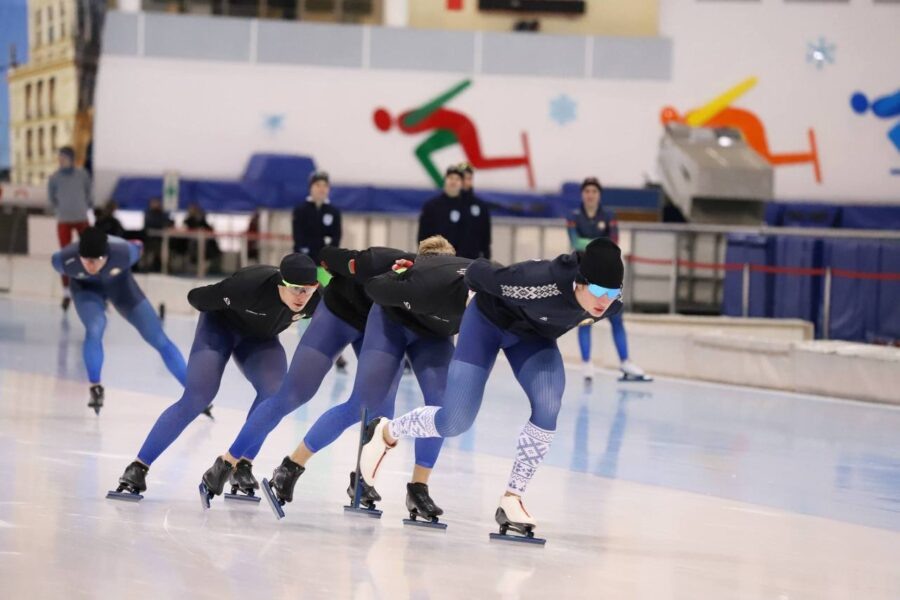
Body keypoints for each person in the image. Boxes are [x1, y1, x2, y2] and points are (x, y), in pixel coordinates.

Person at [356, 238, 625, 540]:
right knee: (455, 421)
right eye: (599, 291)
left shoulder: (609, 306)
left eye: (613, 293)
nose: (605, 301)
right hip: (488, 322)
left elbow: (601, 301)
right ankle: (386, 431)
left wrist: (604, 297)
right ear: (579, 281)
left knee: (549, 405)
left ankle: (512, 498)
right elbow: (479, 272)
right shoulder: (540, 282)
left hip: (533, 337)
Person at [257, 236, 470, 521]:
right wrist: (364, 269)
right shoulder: (398, 269)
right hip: (393, 325)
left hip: (433, 337)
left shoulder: (468, 286)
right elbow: (353, 270)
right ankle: (290, 467)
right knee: (364, 404)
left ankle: (417, 488)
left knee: (441, 407)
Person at [194, 242, 415, 505]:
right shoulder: (377, 260)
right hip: (339, 315)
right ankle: (226, 463)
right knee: (294, 394)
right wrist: (343, 270)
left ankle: (361, 479)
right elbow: (326, 255)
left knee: (383, 409)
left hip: (380, 326)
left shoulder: (443, 291)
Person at [108, 254, 320, 501]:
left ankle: (242, 466)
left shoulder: (316, 300)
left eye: (308, 290)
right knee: (199, 396)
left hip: (260, 340)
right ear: (280, 283)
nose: (302, 296)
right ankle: (138, 466)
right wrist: (222, 298)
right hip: (219, 329)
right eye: (295, 289)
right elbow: (196, 297)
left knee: (274, 394)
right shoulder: (249, 285)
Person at [50, 227, 188, 414]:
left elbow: (139, 244)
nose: (91, 266)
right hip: (86, 291)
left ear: (107, 255)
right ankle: (95, 386)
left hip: (122, 288)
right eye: (86, 260)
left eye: (96, 260)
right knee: (95, 328)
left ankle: (193, 391)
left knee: (157, 337)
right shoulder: (63, 260)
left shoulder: (125, 252)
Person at [566, 177, 649, 382]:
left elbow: (614, 242)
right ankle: (587, 363)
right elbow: (575, 242)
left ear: (599, 195)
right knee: (584, 318)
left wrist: (590, 244)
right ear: (582, 194)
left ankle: (625, 361)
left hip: (607, 275)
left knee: (616, 317)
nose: (590, 195)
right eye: (587, 191)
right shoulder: (574, 216)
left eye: (594, 191)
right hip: (584, 275)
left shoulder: (609, 215)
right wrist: (600, 244)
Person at [48, 146, 93, 311]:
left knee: (91, 252)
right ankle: (66, 292)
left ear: (71, 159)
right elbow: (51, 198)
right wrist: (60, 210)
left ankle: (92, 287)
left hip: (81, 218)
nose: (61, 161)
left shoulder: (82, 174)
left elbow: (89, 192)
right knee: (65, 256)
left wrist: (85, 207)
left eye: (64, 158)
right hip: (64, 220)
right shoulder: (54, 178)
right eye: (59, 158)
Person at [418, 165, 491, 260]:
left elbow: (482, 236)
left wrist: (485, 258)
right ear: (445, 180)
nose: (453, 181)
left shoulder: (469, 206)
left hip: (465, 259)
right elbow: (423, 235)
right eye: (450, 178)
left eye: (457, 179)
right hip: (437, 258)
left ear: (461, 183)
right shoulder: (432, 206)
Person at [292, 170, 342, 267]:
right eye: (318, 185)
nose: (321, 189)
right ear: (311, 187)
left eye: (325, 186)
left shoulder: (334, 212)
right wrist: (303, 255)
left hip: (325, 263)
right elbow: (297, 236)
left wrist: (330, 255)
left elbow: (336, 236)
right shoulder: (300, 210)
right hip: (304, 262)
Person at [458, 162, 492, 259]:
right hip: (450, 259)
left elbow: (486, 238)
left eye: (468, 178)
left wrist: (486, 260)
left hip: (473, 259)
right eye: (462, 178)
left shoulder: (480, 206)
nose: (465, 182)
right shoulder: (444, 205)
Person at [184, 203, 222, 273]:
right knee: (195, 245)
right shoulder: (188, 220)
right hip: (191, 242)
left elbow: (209, 229)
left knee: (209, 245)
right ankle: (195, 261)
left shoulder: (203, 221)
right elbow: (187, 227)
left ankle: (207, 264)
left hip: (205, 243)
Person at [142, 198, 174, 272]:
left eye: (158, 203)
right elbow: (152, 224)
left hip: (162, 238)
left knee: (169, 244)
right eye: (154, 203)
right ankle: (163, 266)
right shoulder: (148, 214)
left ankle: (164, 266)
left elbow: (168, 222)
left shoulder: (162, 213)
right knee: (161, 246)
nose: (157, 205)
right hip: (150, 239)